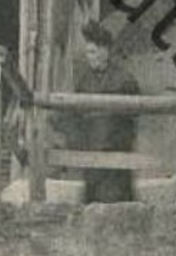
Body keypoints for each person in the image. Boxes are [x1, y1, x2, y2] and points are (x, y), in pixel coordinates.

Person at [58, 20, 139, 203]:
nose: (89, 57)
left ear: (105, 51)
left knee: (117, 202)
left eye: (93, 52)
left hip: (116, 153)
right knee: (93, 201)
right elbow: (75, 114)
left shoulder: (124, 80)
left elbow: (132, 117)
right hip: (91, 153)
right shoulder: (85, 81)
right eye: (87, 52)